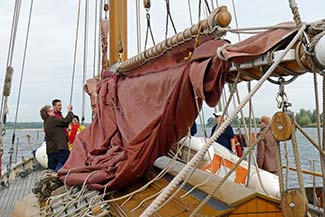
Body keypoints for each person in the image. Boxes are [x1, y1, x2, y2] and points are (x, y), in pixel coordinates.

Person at [40, 104, 74, 172]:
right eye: (51, 110)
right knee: (69, 163)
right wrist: (70, 111)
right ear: (48, 113)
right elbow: (66, 121)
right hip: (59, 148)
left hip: (51, 149)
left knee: (52, 168)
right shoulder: (52, 119)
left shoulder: (46, 121)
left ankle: (51, 178)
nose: (53, 112)